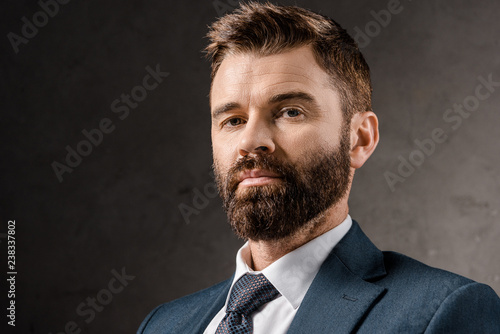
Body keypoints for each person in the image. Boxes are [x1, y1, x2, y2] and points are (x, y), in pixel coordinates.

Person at [138, 2, 500, 333]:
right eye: (233, 120)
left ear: (359, 139)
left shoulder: (447, 312)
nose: (250, 141)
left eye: (289, 111)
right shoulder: (162, 325)